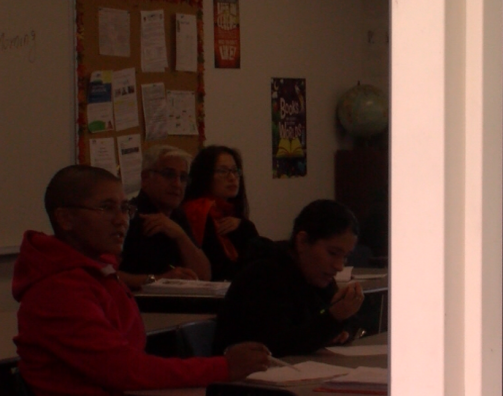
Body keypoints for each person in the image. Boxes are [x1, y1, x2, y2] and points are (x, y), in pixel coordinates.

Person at [13, 165, 271, 396]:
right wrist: (224, 368)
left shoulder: (100, 275)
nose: (122, 220)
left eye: (125, 208)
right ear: (65, 218)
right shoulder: (58, 291)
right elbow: (127, 371)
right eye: (106, 208)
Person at [215, 199, 365, 356]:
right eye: (333, 253)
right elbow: (277, 346)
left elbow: (338, 318)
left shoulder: (317, 276)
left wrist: (343, 328)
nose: (339, 266)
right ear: (302, 241)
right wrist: (334, 318)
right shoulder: (264, 276)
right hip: (243, 378)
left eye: (345, 257)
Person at [118, 144, 211, 289]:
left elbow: (204, 276)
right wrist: (158, 280)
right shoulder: (127, 214)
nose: (177, 184)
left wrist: (180, 236)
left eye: (183, 177)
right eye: (169, 174)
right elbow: (105, 274)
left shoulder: (177, 215)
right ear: (145, 178)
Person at [182, 145, 259, 281]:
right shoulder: (198, 210)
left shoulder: (231, 212)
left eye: (235, 171)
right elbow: (220, 266)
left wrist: (244, 225)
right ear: (205, 175)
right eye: (223, 171)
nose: (232, 177)